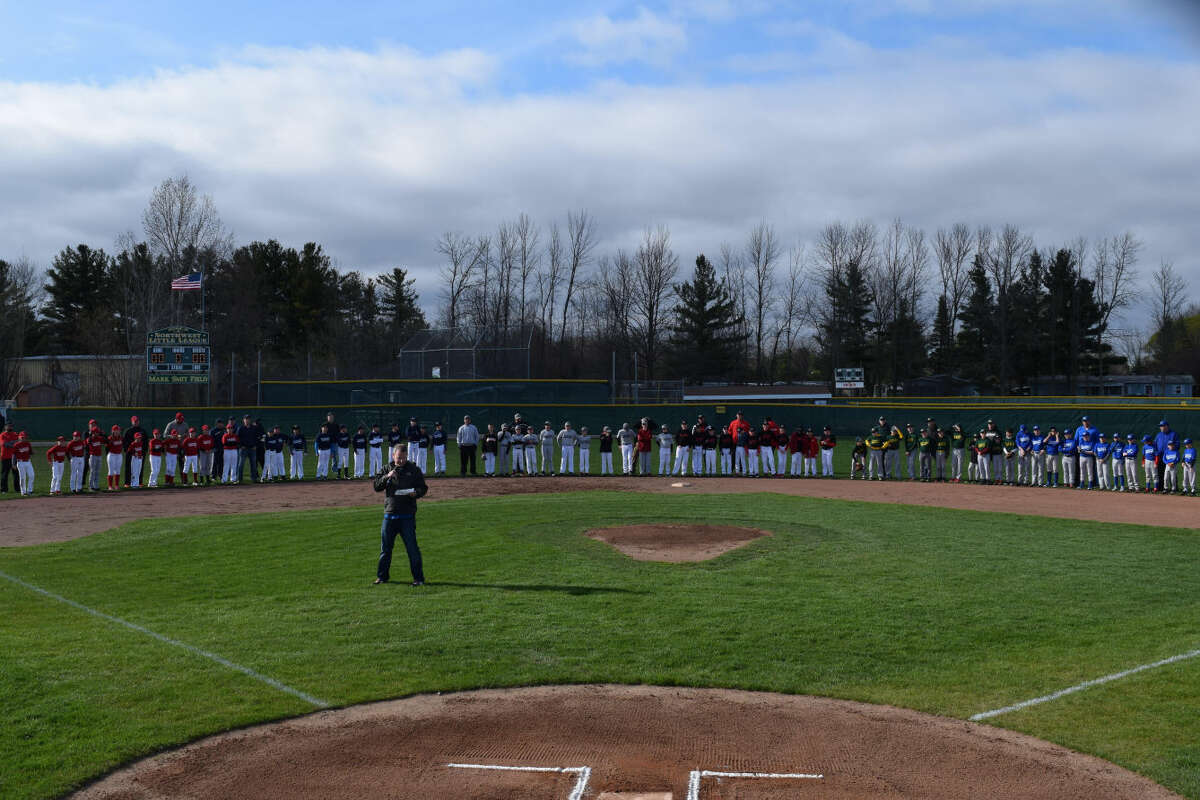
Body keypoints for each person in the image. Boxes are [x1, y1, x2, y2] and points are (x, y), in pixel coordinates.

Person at [373, 443, 429, 586]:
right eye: (399, 458)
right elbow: (376, 486)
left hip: (407, 516)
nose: (401, 461)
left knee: (412, 549)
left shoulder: (414, 469)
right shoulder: (387, 468)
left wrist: (416, 493)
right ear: (393, 456)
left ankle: (418, 579)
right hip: (390, 516)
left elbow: (423, 487)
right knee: (385, 550)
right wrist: (387, 476)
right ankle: (382, 577)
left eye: (404, 458)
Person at [1153, 419, 1179, 493]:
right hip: (1161, 456)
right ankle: (1162, 488)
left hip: (1170, 457)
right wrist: (1156, 452)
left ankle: (1174, 488)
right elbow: (1155, 444)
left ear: (1167, 426)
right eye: (1160, 426)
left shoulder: (1173, 434)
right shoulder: (1158, 435)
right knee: (1160, 472)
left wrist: (1172, 450)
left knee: (1172, 473)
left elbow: (1177, 444)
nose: (1161, 427)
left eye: (1162, 426)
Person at [122, 415, 148, 488]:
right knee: (128, 467)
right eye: (135, 421)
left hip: (140, 453)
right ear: (132, 422)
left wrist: (144, 451)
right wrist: (129, 451)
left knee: (140, 468)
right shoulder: (128, 431)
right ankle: (127, 483)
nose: (136, 422)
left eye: (137, 421)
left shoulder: (142, 431)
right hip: (130, 453)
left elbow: (145, 441)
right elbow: (125, 443)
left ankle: (139, 482)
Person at [12, 431, 34, 496]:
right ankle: (23, 492)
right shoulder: (16, 445)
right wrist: (13, 464)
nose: (23, 438)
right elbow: (14, 455)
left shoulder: (28, 444)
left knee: (32, 475)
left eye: (24, 437)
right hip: (20, 462)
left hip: (28, 462)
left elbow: (30, 451)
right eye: (22, 437)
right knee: (22, 478)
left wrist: (32, 452)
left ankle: (29, 491)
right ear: (19, 437)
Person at [0, 422, 18, 492]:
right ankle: (4, 489)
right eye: (8, 426)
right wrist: (13, 443)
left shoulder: (15, 434)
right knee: (4, 474)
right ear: (5, 427)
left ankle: (18, 489)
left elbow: (18, 443)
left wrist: (11, 443)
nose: (9, 427)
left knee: (16, 474)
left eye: (11, 426)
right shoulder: (2, 435)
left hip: (14, 457)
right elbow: (4, 444)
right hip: (5, 457)